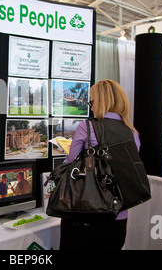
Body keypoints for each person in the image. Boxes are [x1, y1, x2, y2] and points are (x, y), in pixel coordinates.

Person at [60, 79, 141, 250]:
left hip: (86, 214)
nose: (91, 107)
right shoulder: (132, 133)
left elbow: (70, 165)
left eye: (92, 101)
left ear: (103, 101)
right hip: (118, 217)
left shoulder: (87, 128)